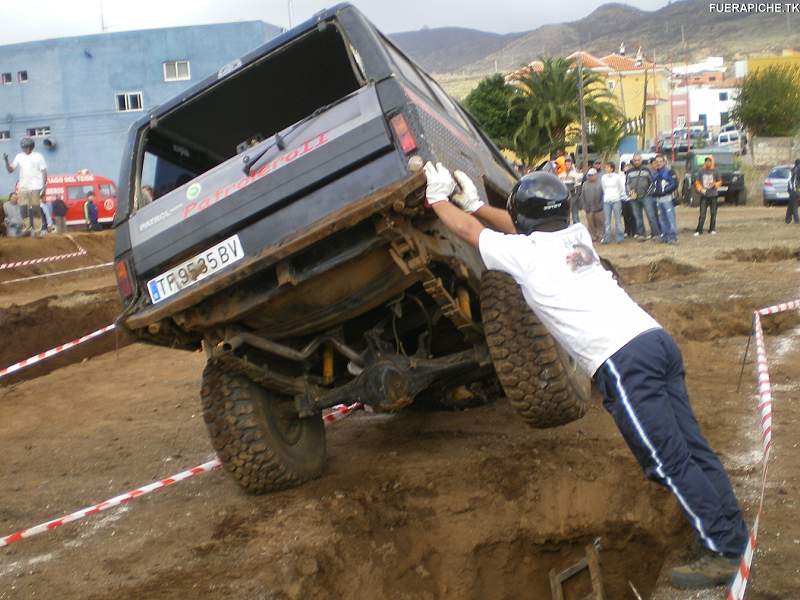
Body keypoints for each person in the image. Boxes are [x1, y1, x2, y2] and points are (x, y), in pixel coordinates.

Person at [422, 161, 750, 590]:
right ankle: (729, 533)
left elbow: (469, 233)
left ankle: (721, 550)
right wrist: (478, 204)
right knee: (691, 448)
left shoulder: (526, 255)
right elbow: (522, 226)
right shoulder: (573, 235)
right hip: (654, 342)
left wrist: (436, 199)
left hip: (624, 360)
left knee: (667, 462)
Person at [3, 137, 47, 237]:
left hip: (36, 186)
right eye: (23, 147)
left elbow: (44, 171)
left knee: (36, 209)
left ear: (31, 147)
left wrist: (44, 186)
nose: (24, 149)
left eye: (26, 147)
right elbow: (10, 170)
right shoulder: (19, 156)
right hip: (23, 187)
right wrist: (6, 161)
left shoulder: (38, 156)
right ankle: (27, 228)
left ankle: (37, 231)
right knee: (23, 209)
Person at [626, 154, 657, 240]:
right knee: (637, 217)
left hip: (646, 197)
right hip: (634, 198)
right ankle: (641, 234)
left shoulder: (647, 170)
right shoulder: (629, 172)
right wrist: (629, 193)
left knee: (651, 216)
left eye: (638, 160)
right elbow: (627, 184)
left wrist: (648, 192)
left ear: (641, 160)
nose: (637, 162)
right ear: (633, 161)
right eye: (635, 160)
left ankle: (655, 234)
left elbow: (652, 183)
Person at [652, 155, 678, 244]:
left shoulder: (669, 172)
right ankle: (665, 236)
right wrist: (654, 192)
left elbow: (674, 184)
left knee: (670, 218)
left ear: (664, 162)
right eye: (657, 162)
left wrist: (664, 191)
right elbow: (653, 185)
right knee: (662, 219)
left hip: (667, 199)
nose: (658, 163)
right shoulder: (655, 173)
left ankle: (672, 237)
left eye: (660, 161)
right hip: (658, 200)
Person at [694, 157, 721, 236]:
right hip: (704, 196)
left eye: (709, 162)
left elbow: (719, 181)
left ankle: (712, 229)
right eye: (706, 162)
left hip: (713, 195)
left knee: (713, 213)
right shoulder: (701, 171)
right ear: (705, 163)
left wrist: (715, 184)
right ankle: (699, 230)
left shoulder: (716, 171)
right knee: (702, 214)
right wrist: (700, 189)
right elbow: (697, 182)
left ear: (712, 162)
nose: (708, 163)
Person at [600, 161, 625, 244]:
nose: (606, 169)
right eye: (606, 167)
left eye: (608, 167)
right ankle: (607, 237)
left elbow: (620, 188)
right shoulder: (603, 177)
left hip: (616, 200)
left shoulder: (617, 177)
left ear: (612, 168)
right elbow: (604, 188)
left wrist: (616, 194)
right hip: (607, 200)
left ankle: (620, 237)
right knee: (607, 220)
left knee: (618, 220)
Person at [578, 167, 604, 242]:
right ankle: (593, 237)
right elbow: (582, 196)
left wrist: (601, 205)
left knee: (599, 223)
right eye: (589, 175)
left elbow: (603, 195)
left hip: (599, 207)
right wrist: (584, 206)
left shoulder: (600, 183)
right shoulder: (585, 184)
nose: (590, 177)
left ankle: (600, 236)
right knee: (590, 223)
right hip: (588, 208)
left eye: (591, 175)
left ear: (595, 175)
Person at [560, 156, 583, 225]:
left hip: (573, 198)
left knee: (575, 217)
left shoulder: (576, 175)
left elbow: (578, 189)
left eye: (569, 164)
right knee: (566, 217)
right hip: (565, 199)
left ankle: (578, 231)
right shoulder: (561, 175)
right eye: (566, 164)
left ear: (572, 164)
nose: (567, 166)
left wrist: (573, 200)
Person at [786, 159, 799, 225]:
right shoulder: (796, 170)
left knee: (792, 206)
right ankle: (791, 220)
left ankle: (790, 220)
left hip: (793, 191)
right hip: (795, 190)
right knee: (793, 206)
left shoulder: (794, 170)